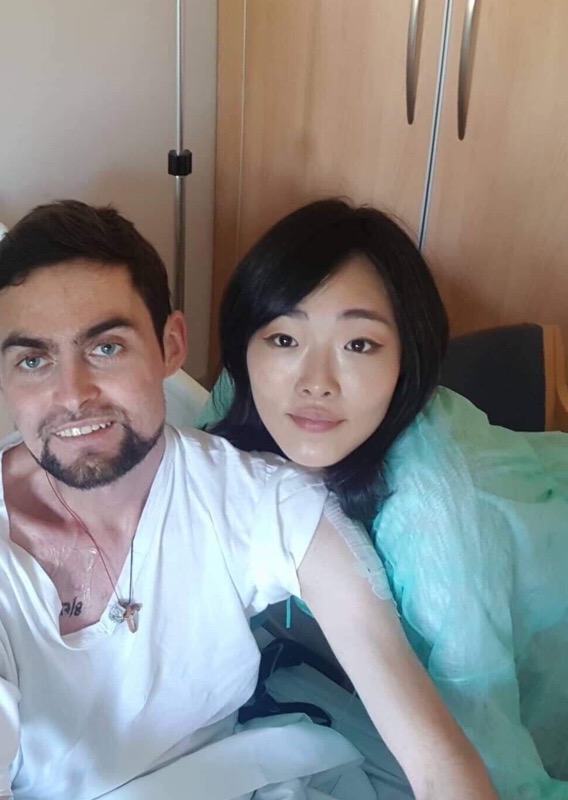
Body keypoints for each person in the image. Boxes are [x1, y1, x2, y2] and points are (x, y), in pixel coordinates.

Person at [0, 199, 496, 800]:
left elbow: (437, 762)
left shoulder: (265, 502)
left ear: (171, 345)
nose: (72, 395)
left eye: (106, 348)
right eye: (33, 360)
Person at [203, 198, 568, 799]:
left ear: (408, 357)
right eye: (285, 337)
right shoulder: (242, 399)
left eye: (359, 345)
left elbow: (481, 765)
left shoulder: (434, 530)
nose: (315, 382)